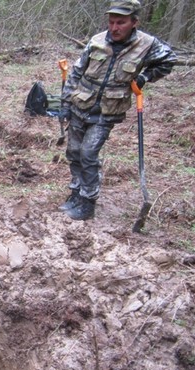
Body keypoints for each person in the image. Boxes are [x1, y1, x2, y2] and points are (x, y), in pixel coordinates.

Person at [59, 0, 177, 220]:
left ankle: (88, 201)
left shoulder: (147, 44)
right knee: (74, 152)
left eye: (120, 23)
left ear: (134, 22)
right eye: (111, 22)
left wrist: (144, 77)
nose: (114, 28)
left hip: (107, 111)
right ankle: (75, 193)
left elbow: (168, 60)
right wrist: (65, 103)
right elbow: (76, 72)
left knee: (88, 153)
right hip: (80, 104)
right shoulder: (96, 41)